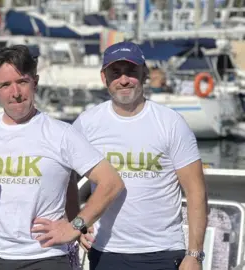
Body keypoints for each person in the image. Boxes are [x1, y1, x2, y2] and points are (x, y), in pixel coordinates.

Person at [0, 45, 125, 270]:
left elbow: (111, 182)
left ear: (35, 82)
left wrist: (75, 225)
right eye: (5, 85)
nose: (15, 92)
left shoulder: (61, 134)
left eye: (22, 82)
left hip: (46, 257)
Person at [70, 41, 208, 270]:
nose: (123, 80)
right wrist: (75, 222)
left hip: (162, 251)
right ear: (104, 78)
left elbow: (196, 192)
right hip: (106, 251)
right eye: (116, 73)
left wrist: (194, 254)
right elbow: (62, 177)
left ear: (144, 73)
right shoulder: (87, 123)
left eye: (131, 71)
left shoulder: (171, 122)